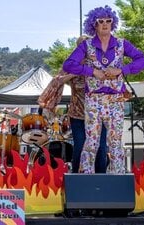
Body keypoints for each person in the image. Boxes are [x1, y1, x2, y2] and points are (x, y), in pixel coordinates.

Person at [62, 6, 144, 174]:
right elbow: (68, 64)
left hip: (116, 99)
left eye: (108, 21)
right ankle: (85, 178)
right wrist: (91, 71)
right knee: (91, 142)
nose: (104, 24)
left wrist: (122, 70)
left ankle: (117, 179)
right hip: (93, 99)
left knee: (115, 141)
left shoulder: (122, 44)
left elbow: (143, 60)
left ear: (113, 23)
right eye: (100, 21)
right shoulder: (86, 46)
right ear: (93, 25)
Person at [38, 36, 108, 173]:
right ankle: (77, 178)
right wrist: (74, 73)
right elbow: (57, 81)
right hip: (77, 114)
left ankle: (101, 179)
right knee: (80, 146)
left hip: (98, 113)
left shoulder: (98, 62)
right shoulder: (71, 63)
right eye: (80, 46)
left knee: (100, 147)